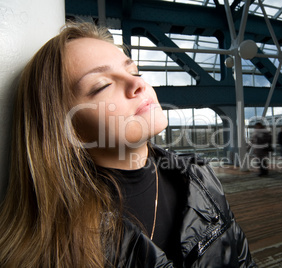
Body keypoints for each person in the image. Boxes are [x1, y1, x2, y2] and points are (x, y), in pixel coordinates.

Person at [0, 22, 256, 267]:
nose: (138, 84)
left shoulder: (201, 176)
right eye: (102, 85)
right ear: (65, 128)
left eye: (134, 71)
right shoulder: (53, 247)